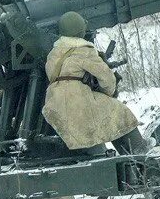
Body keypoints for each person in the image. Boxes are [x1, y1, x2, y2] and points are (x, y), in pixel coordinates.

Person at [41, 11, 153, 155]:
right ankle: (139, 150)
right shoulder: (83, 50)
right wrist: (109, 94)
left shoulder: (53, 53)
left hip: (54, 102)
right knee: (118, 111)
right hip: (77, 101)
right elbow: (107, 78)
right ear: (80, 30)